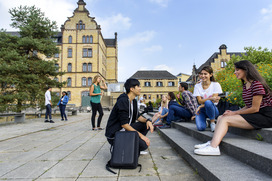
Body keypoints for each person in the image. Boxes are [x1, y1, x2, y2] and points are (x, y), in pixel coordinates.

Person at [194, 60, 272, 156]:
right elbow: (248, 106)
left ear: (246, 70)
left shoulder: (257, 84)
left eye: (237, 70)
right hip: (256, 114)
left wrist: (234, 113)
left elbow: (255, 108)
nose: (235, 72)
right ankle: (212, 142)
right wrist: (234, 111)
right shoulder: (246, 85)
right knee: (220, 117)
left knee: (225, 119)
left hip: (265, 115)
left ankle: (214, 147)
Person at [105, 78, 154, 154]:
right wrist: (141, 136)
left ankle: (133, 145)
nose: (140, 88)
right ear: (132, 89)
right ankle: (119, 147)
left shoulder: (133, 101)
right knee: (144, 145)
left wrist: (148, 121)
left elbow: (138, 117)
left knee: (145, 125)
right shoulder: (123, 101)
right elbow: (124, 124)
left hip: (124, 130)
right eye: (138, 86)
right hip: (115, 135)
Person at [193, 66, 222, 132]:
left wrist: (200, 106)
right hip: (202, 110)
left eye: (205, 74)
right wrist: (210, 98)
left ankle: (212, 122)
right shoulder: (197, 86)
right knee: (201, 128)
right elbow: (200, 101)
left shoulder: (216, 85)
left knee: (208, 102)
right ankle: (205, 121)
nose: (203, 76)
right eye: (201, 74)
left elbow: (213, 101)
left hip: (213, 110)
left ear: (211, 75)